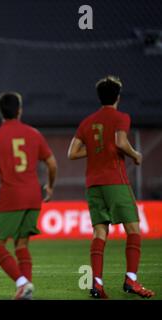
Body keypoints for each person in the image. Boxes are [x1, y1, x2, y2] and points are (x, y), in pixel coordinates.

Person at [68, 75, 155, 299]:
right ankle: (131, 281)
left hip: (93, 184)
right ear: (118, 96)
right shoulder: (121, 117)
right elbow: (120, 142)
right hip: (115, 181)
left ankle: (96, 284)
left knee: (99, 231)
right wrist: (135, 155)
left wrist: (97, 149)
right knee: (134, 229)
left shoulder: (87, 122)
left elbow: (72, 153)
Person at [0, 92, 57, 300]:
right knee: (21, 244)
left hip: (12, 197)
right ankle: (25, 292)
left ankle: (22, 283)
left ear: (0, 111)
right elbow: (52, 163)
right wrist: (50, 187)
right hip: (33, 196)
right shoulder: (34, 134)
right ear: (20, 110)